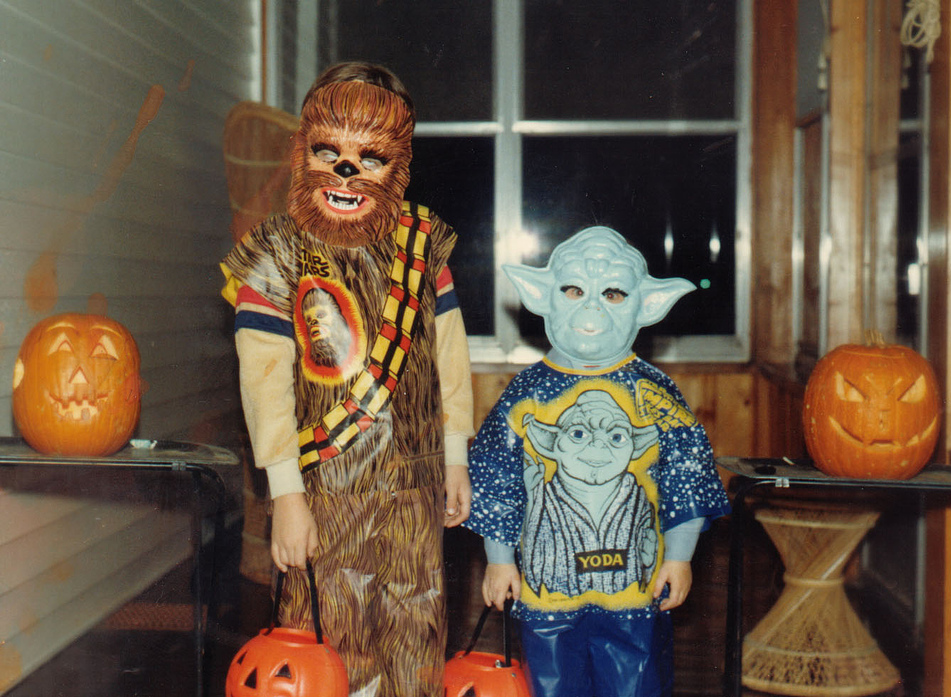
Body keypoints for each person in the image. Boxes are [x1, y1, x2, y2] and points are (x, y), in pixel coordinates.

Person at [220, 62, 474, 697]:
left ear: (401, 161)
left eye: (370, 156)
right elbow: (264, 383)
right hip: (322, 487)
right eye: (327, 152)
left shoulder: (423, 248)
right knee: (327, 638)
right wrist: (285, 495)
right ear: (301, 151)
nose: (345, 172)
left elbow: (450, 358)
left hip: (415, 483)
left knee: (415, 631)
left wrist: (454, 456)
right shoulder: (276, 256)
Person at [464, 226, 730, 697]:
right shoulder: (525, 395)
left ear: (647, 305)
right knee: (553, 684)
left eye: (612, 292)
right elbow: (496, 476)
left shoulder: (653, 393)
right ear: (541, 297)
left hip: (635, 592)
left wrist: (681, 556)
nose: (591, 307)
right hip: (548, 594)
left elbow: (686, 473)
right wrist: (499, 560)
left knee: (635, 683)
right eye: (573, 290)